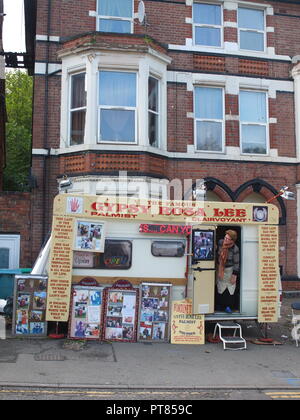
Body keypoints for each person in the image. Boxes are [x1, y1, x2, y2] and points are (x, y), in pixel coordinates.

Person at [216, 230, 239, 313]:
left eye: (228, 239)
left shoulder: (235, 248)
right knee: (219, 286)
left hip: (229, 270)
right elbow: (216, 252)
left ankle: (228, 306)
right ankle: (219, 305)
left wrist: (234, 275)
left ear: (232, 240)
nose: (225, 240)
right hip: (220, 268)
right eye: (225, 237)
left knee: (230, 288)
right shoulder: (220, 242)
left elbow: (236, 263)